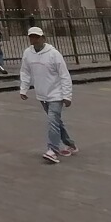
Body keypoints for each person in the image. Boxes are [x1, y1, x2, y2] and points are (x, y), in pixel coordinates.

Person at [19, 26, 77, 164]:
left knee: (52, 121)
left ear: (43, 38)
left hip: (56, 94)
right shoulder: (28, 53)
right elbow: (25, 71)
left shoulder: (53, 54)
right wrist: (24, 88)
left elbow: (64, 75)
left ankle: (52, 150)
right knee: (56, 122)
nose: (34, 39)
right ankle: (70, 144)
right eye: (32, 37)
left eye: (37, 37)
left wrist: (67, 95)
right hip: (42, 94)